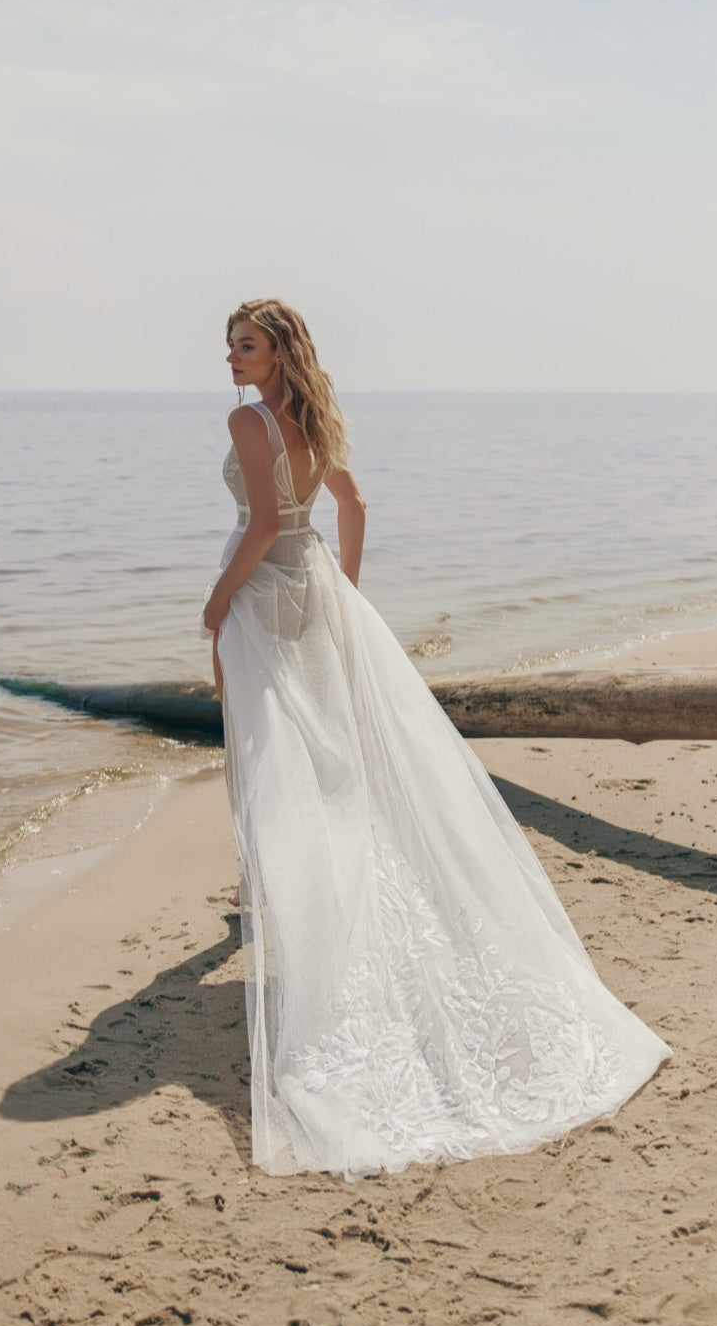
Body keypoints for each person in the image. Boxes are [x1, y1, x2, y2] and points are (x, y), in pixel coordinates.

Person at [201, 298, 671, 1182]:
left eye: (247, 344)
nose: (231, 356)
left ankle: (282, 909)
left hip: (264, 597)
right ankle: (282, 906)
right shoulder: (309, 414)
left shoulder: (249, 419)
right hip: (317, 597)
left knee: (273, 761)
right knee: (327, 763)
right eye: (229, 344)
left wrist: (217, 604)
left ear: (279, 352)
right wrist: (345, 590)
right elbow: (354, 504)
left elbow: (262, 525)